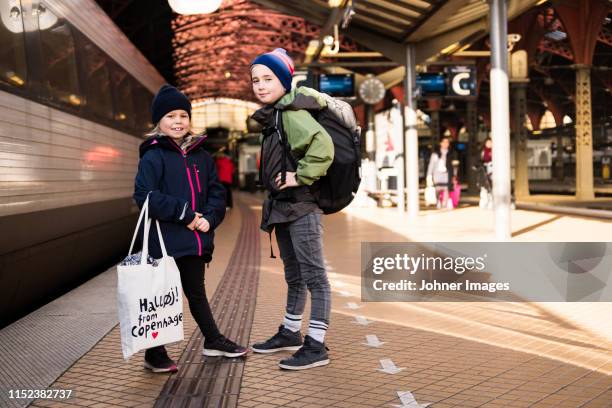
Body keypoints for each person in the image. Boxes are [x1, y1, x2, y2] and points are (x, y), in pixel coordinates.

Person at [133, 84, 247, 373]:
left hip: (195, 241)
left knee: (196, 293)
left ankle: (213, 340)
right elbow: (145, 195)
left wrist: (210, 217)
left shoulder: (202, 156)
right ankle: (154, 353)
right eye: (171, 115)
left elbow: (216, 193)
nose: (178, 121)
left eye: (183, 115)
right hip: (164, 240)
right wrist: (187, 215)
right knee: (161, 298)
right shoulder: (153, 156)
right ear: (158, 121)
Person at [249, 49, 334, 370]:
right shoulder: (277, 114)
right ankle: (290, 331)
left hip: (301, 207)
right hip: (283, 208)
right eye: (256, 80)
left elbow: (322, 147)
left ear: (284, 80)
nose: (260, 85)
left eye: (268, 78)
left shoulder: (291, 114)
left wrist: (299, 175)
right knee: (295, 275)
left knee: (314, 276)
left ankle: (316, 344)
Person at [426, 136, 455, 209]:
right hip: (437, 175)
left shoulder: (451, 154)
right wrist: (429, 175)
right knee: (437, 189)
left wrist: (454, 176)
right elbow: (431, 165)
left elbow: (453, 166)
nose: (445, 144)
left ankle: (444, 204)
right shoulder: (435, 154)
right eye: (444, 142)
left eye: (447, 142)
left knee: (446, 189)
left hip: (447, 175)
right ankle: (438, 200)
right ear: (440, 143)